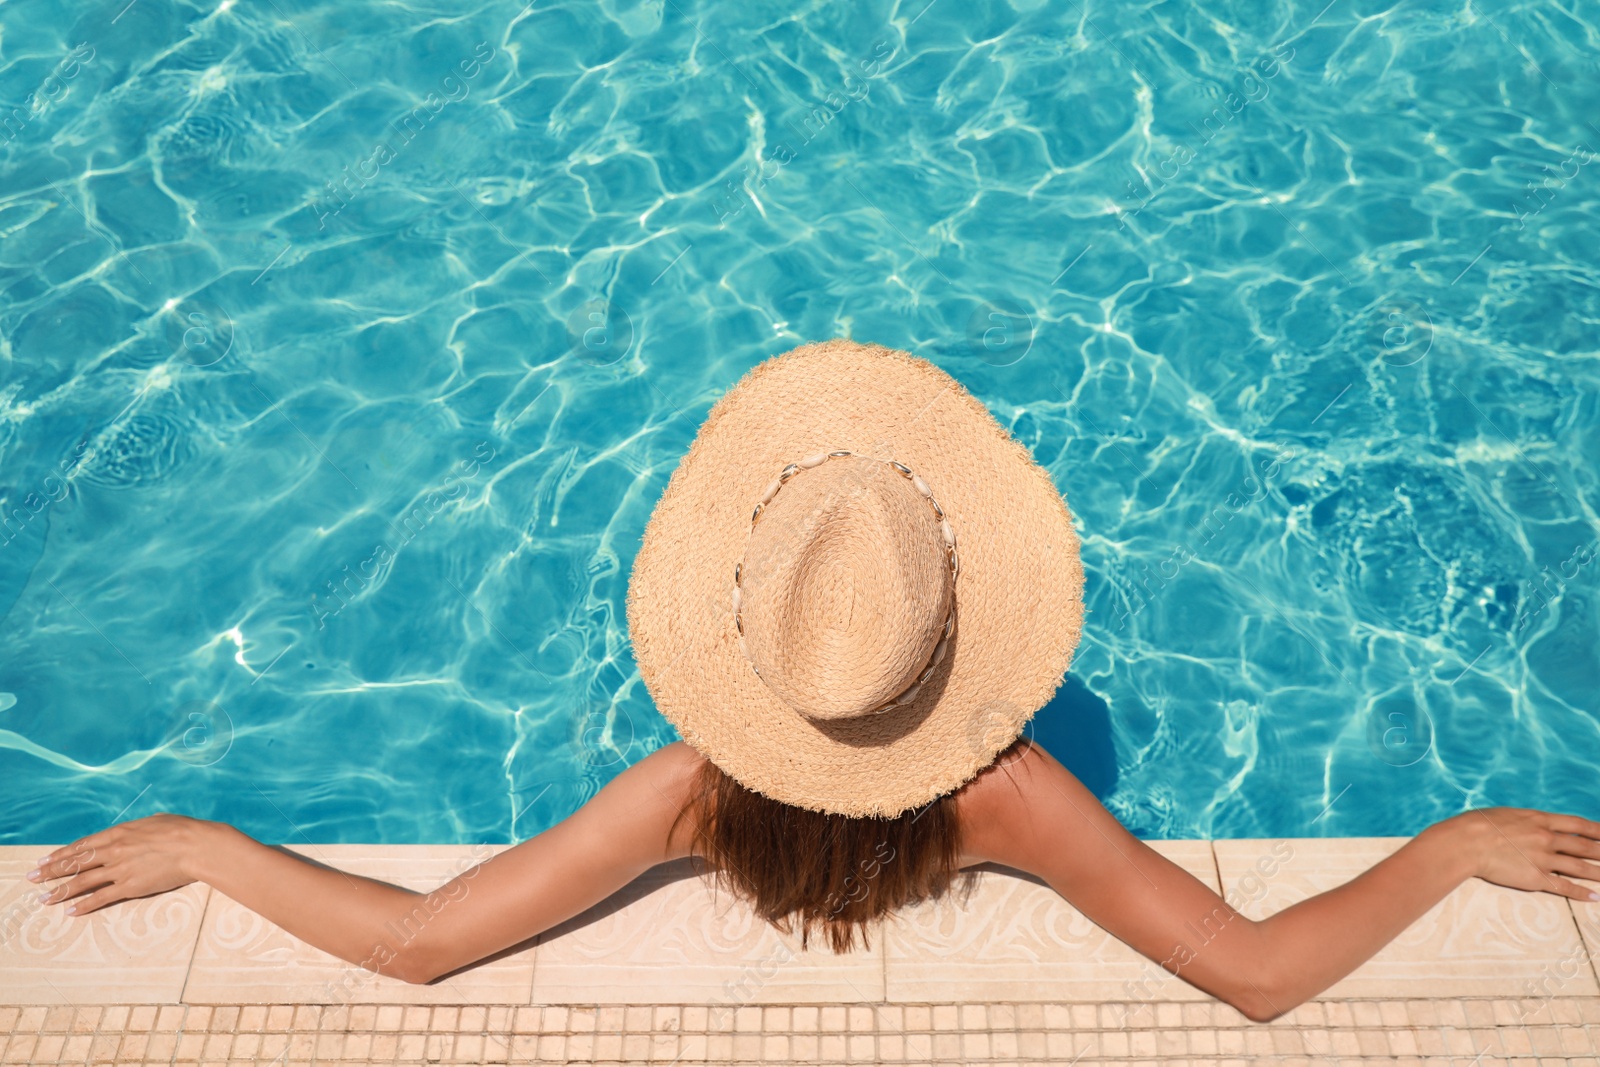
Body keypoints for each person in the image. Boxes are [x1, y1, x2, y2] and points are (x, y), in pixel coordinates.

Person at [29, 340, 1600, 1023]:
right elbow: (1252, 975)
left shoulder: (688, 796)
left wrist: (210, 848)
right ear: (954, 637)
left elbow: (426, 945)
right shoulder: (1010, 798)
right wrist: (1449, 847)